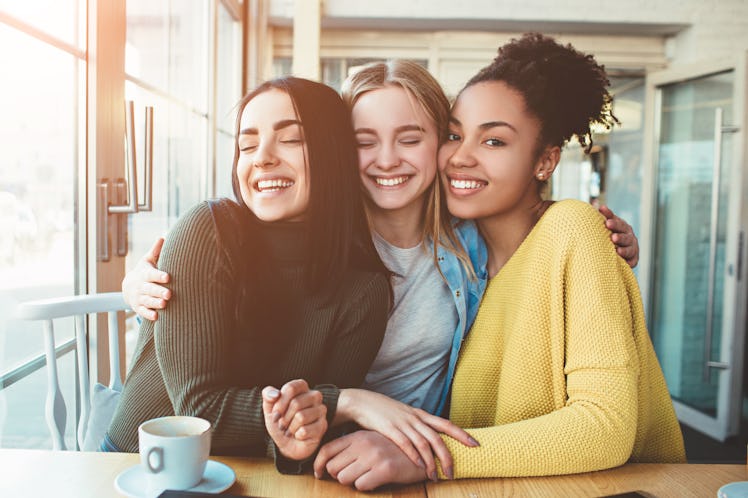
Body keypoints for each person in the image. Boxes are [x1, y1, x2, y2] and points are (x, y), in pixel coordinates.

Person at [123, 60, 642, 480]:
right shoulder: (319, 245)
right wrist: (138, 284)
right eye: (363, 141)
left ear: (441, 143)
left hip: (408, 457)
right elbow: (230, 276)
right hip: (300, 451)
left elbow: (542, 243)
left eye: (411, 138)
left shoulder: (470, 243)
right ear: (336, 151)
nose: (386, 159)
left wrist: (600, 233)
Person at [313, 33, 686, 489]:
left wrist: (427, 456)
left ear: (546, 160)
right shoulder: (466, 253)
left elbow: (605, 426)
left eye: (494, 142)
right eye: (454, 135)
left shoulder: (571, 229)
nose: (461, 157)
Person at [104, 77, 391, 467]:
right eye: (247, 144)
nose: (262, 157)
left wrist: (300, 442)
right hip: (132, 470)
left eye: (290, 139)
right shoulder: (208, 229)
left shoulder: (365, 290)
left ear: (334, 154)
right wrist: (347, 402)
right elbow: (197, 412)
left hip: (253, 475)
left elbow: (309, 435)